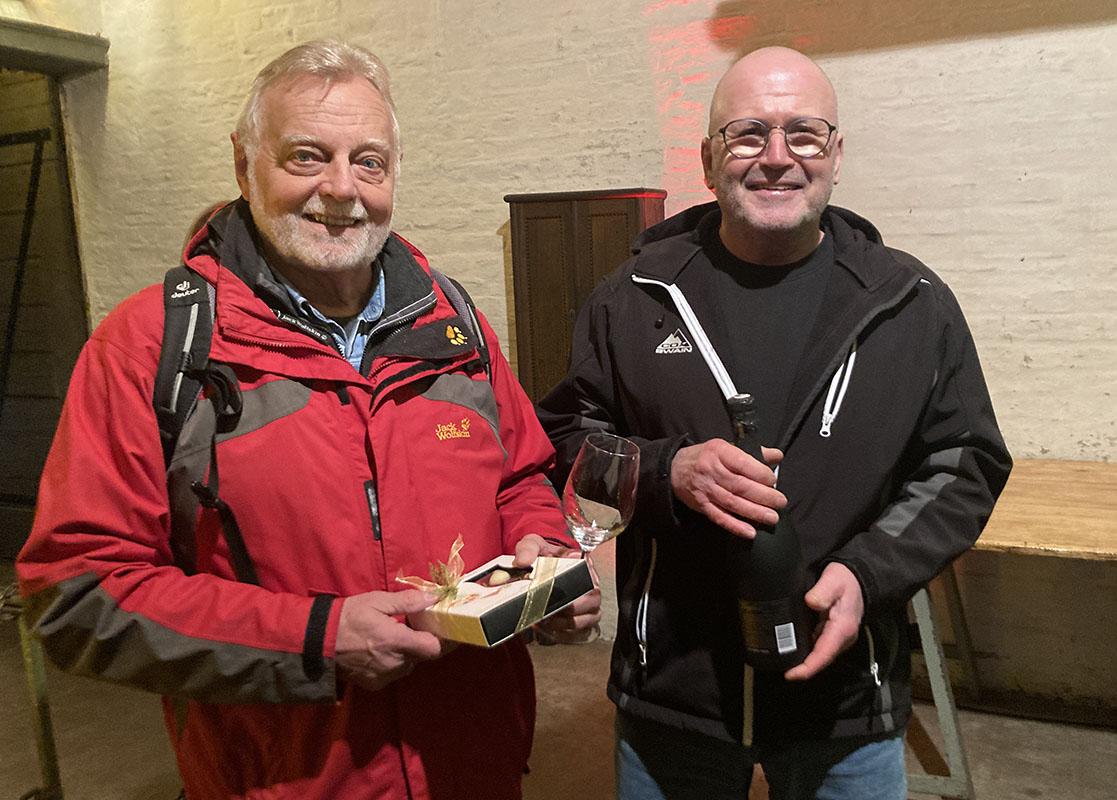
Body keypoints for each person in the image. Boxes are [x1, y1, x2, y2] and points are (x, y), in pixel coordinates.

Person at [17, 40, 598, 800]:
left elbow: (521, 475)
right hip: (284, 779)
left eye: (369, 162)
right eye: (305, 156)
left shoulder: (454, 324)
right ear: (242, 163)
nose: (341, 189)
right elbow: (78, 593)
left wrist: (545, 558)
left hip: (472, 768)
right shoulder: (151, 347)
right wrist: (315, 639)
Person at [536, 46, 1011, 799]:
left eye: (805, 134)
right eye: (748, 133)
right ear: (708, 158)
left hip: (847, 703)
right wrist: (666, 471)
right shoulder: (631, 300)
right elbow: (567, 441)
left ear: (836, 153)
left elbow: (963, 462)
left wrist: (868, 572)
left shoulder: (909, 303)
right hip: (675, 698)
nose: (778, 158)